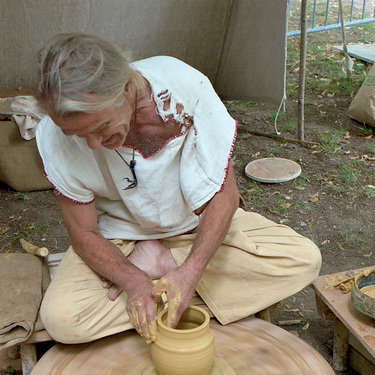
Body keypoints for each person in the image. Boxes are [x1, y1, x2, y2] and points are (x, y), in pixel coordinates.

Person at [35, 32, 321, 345]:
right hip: (121, 240)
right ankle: (184, 292)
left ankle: (165, 269)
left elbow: (223, 196)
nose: (91, 144)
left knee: (302, 260)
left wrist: (190, 269)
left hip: (196, 227)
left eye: (100, 127)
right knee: (63, 320)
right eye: (77, 135)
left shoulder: (185, 88)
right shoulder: (54, 134)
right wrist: (131, 280)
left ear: (127, 89)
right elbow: (84, 233)